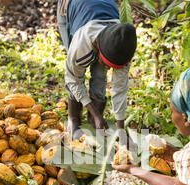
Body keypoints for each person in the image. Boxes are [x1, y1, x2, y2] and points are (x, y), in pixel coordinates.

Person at [57, 0, 137, 145]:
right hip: (72, 6)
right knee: (76, 72)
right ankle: (74, 119)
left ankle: (94, 118)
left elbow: (120, 89)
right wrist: (94, 112)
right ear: (98, 48)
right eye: (108, 64)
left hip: (102, 11)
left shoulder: (123, 46)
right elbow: (73, 80)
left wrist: (121, 130)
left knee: (100, 73)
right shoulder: (80, 46)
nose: (109, 68)